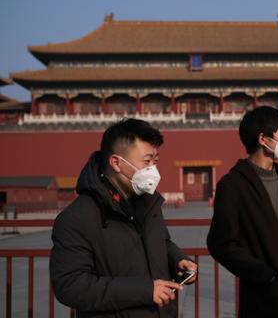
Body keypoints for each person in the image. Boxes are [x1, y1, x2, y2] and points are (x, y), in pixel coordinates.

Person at [50, 118, 197, 318]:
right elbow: (70, 286)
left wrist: (177, 260)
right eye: (146, 161)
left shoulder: (148, 203)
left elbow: (162, 241)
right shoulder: (78, 217)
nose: (153, 169)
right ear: (117, 163)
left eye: (155, 161)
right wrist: (145, 291)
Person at [207, 106, 278, 318]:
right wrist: (265, 275)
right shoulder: (232, 184)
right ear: (263, 139)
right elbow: (221, 243)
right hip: (261, 297)